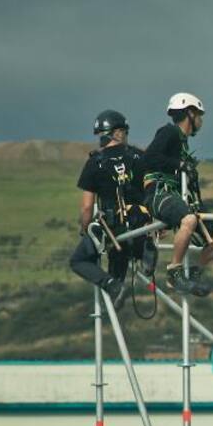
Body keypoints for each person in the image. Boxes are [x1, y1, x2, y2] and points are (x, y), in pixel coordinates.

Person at [140, 92, 213, 296]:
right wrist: (179, 164)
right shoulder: (169, 132)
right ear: (190, 114)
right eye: (199, 115)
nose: (200, 120)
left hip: (182, 198)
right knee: (188, 220)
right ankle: (175, 273)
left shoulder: (182, 142)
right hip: (160, 193)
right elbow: (150, 157)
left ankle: (195, 272)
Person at [68, 109, 155, 307]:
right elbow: (152, 190)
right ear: (119, 132)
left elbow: (87, 207)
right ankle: (144, 251)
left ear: (106, 134)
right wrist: (155, 225)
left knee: (79, 260)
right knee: (126, 251)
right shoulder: (139, 157)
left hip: (113, 228)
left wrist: (85, 229)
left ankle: (113, 286)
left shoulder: (95, 163)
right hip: (141, 226)